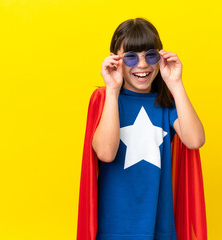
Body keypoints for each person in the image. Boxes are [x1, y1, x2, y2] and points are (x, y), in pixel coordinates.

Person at [77, 18, 207, 240]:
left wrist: (175, 83)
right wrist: (112, 88)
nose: (143, 64)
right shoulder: (105, 98)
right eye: (130, 57)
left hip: (158, 225)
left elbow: (195, 140)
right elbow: (106, 154)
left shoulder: (166, 102)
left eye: (150, 55)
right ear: (115, 60)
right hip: (114, 228)